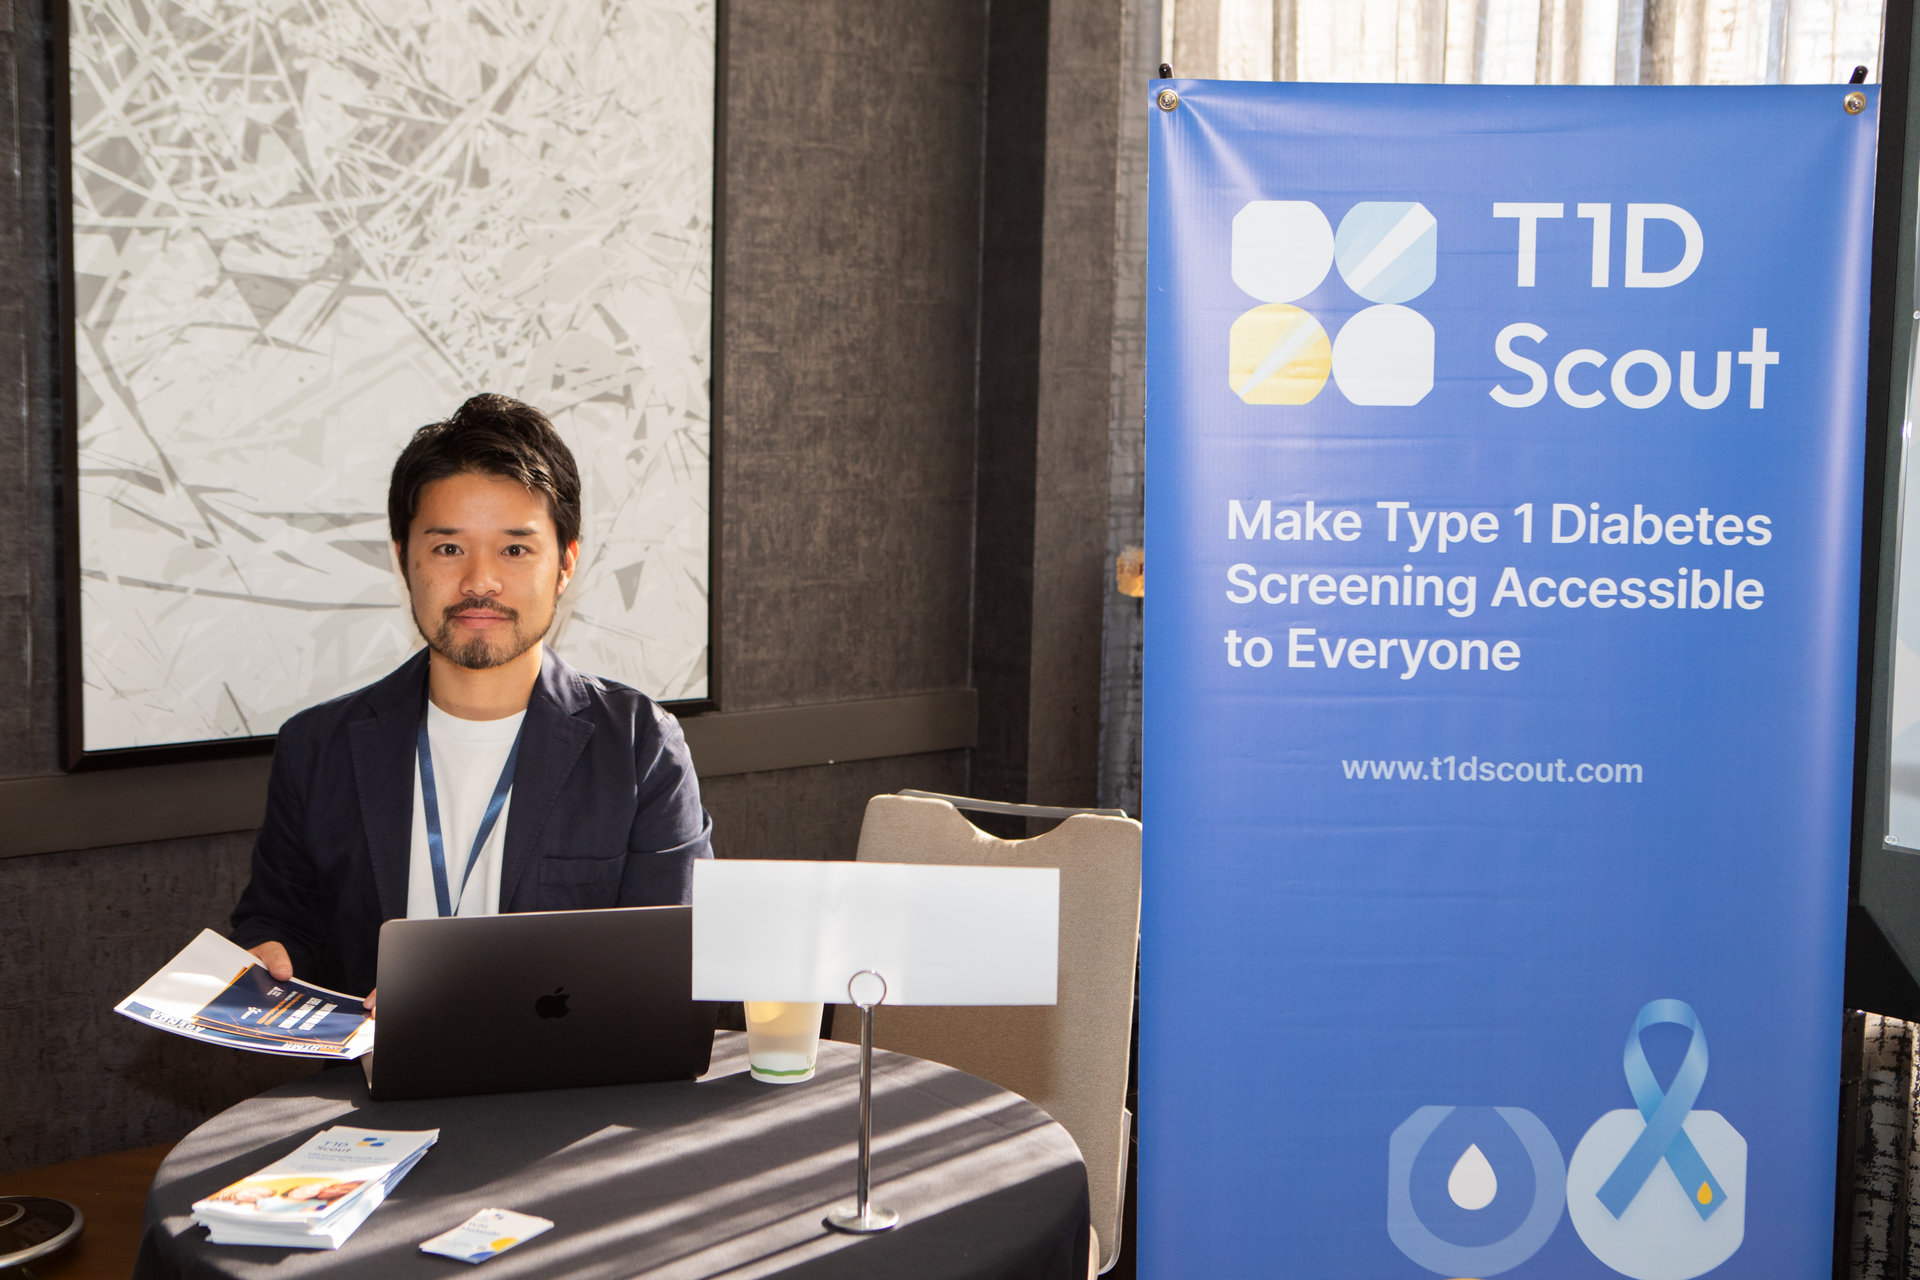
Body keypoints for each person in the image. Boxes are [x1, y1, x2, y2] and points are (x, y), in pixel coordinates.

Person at [230, 394, 712, 1002]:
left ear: (565, 564)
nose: (480, 581)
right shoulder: (318, 746)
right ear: (404, 559)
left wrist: (464, 1006)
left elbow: (673, 969)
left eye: (515, 549)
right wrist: (268, 954)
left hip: (562, 1065)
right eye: (449, 548)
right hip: (370, 1064)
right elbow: (279, 921)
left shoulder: (640, 746)